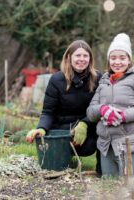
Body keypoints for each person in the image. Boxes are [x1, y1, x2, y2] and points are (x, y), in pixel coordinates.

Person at [86, 33, 134, 182]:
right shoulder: (104, 81)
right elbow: (90, 111)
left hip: (131, 143)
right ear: (108, 60)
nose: (117, 62)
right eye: (113, 58)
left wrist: (124, 115)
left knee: (130, 185)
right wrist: (102, 110)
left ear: (129, 59)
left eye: (122, 58)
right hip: (107, 145)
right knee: (109, 186)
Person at [26, 40, 102, 175]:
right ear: (69, 57)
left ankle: (102, 169)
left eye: (85, 56)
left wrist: (85, 124)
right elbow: (48, 111)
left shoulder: (98, 78)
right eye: (77, 55)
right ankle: (63, 157)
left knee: (105, 127)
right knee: (54, 166)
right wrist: (41, 128)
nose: (81, 59)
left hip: (87, 132)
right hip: (61, 131)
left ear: (90, 59)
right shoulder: (57, 80)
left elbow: (100, 108)